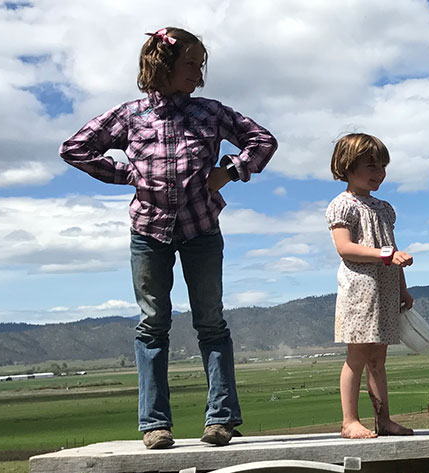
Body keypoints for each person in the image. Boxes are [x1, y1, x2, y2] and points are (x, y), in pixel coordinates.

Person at [60, 27, 277, 450]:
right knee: (153, 325)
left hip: (201, 230)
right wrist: (127, 174)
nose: (198, 75)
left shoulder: (210, 112)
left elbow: (262, 140)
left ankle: (221, 420)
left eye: (201, 66)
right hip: (148, 232)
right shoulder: (130, 116)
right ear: (163, 65)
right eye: (191, 65)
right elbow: (75, 148)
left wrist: (230, 171)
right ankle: (154, 425)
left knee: (210, 322)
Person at [327, 133, 415, 439]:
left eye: (382, 166)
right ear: (347, 167)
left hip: (386, 290)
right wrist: (386, 255)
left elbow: (391, 246)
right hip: (359, 292)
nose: (379, 172)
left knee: (379, 358)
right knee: (357, 357)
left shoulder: (384, 208)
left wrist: (403, 288)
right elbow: (345, 248)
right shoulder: (343, 205)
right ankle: (349, 420)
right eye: (370, 165)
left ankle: (384, 420)